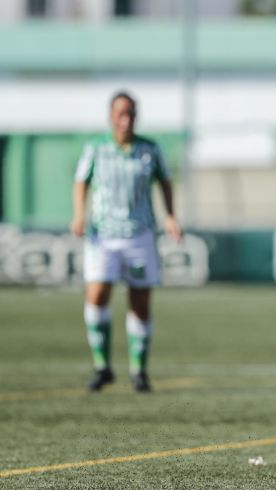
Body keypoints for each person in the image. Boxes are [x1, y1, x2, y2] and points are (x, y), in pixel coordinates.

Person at [70, 91, 182, 393]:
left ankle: (139, 371)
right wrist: (79, 215)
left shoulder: (149, 149)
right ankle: (102, 366)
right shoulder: (96, 148)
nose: (126, 119)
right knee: (96, 296)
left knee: (140, 302)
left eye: (131, 113)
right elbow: (81, 181)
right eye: (121, 113)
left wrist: (170, 216)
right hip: (102, 235)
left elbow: (165, 181)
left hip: (140, 235)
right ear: (111, 116)